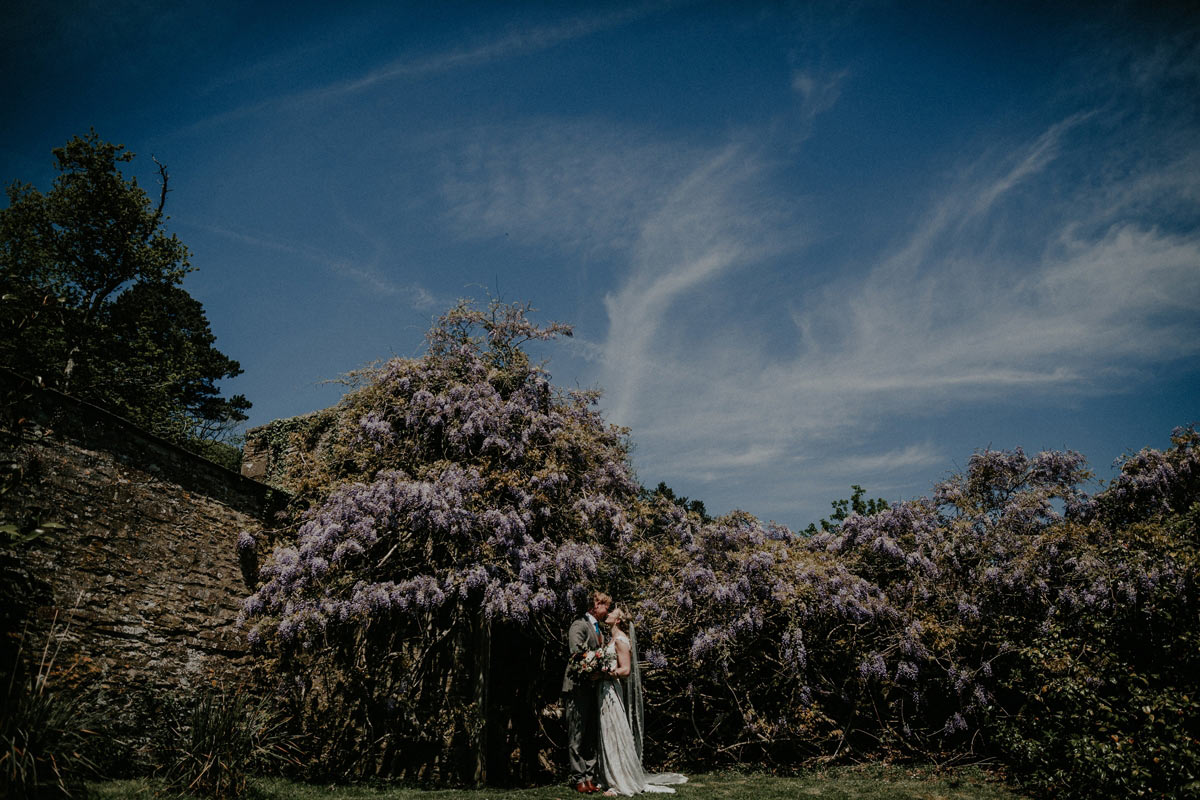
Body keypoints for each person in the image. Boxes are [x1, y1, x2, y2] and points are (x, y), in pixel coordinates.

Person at [597, 607, 688, 796]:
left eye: (612, 613)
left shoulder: (621, 640)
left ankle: (619, 781)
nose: (608, 614)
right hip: (603, 689)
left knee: (614, 729)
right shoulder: (611, 639)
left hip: (611, 687)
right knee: (607, 729)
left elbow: (626, 670)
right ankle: (609, 776)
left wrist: (607, 672)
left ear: (617, 620)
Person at [564, 590, 611, 794]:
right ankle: (578, 777)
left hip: (593, 688)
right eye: (605, 605)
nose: (607, 609)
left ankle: (589, 776)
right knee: (577, 734)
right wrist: (594, 668)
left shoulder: (598, 627)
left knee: (591, 734)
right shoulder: (579, 624)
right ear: (595, 605)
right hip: (578, 687)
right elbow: (577, 654)